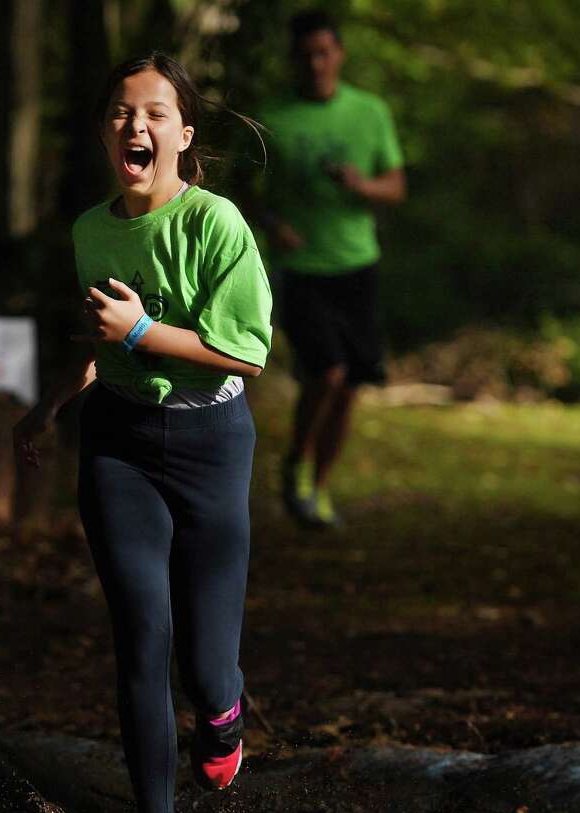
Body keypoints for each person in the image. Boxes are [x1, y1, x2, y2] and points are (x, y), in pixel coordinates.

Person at [13, 53, 272, 813]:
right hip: (120, 443)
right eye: (123, 113)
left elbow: (245, 355)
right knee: (140, 636)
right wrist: (53, 402)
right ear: (104, 133)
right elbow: (104, 342)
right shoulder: (92, 230)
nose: (138, 126)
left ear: (183, 135)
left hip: (212, 446)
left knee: (203, 663)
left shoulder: (216, 224)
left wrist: (139, 335)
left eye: (156, 113)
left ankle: (224, 710)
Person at [255, 9, 405, 528]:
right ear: (294, 60)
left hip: (357, 263)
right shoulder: (273, 119)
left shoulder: (370, 112)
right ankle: (294, 462)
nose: (316, 63)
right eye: (305, 55)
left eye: (324, 52)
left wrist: (363, 186)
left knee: (350, 385)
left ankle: (317, 489)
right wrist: (273, 224)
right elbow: (245, 197)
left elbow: (396, 186)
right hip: (300, 267)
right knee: (327, 371)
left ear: (339, 54)